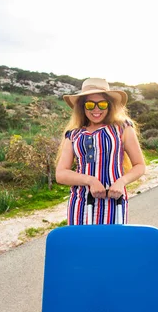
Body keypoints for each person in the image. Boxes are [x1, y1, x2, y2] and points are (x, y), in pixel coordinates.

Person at [55, 78, 146, 225]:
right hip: (81, 204)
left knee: (111, 246)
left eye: (102, 104)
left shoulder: (122, 128)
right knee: (82, 247)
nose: (96, 109)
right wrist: (90, 181)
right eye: (90, 104)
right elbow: (60, 174)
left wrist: (121, 182)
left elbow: (140, 165)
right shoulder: (73, 135)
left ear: (109, 105)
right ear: (82, 107)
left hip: (114, 203)